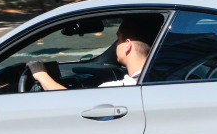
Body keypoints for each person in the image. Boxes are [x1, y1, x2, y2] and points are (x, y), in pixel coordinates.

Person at [29, 15, 161, 91]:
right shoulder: (164, 77)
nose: (116, 45)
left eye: (118, 38)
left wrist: (40, 74)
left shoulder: (118, 89)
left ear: (127, 44)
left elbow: (70, 103)